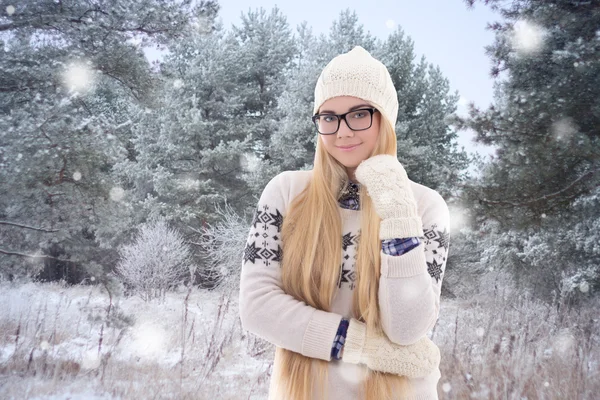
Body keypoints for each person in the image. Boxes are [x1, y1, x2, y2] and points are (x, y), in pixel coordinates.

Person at [239, 46, 451, 400]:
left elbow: (406, 329)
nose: (342, 131)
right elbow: (258, 309)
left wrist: (398, 213)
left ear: (384, 119)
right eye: (329, 117)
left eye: (359, 114)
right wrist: (363, 347)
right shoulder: (287, 193)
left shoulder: (424, 207)